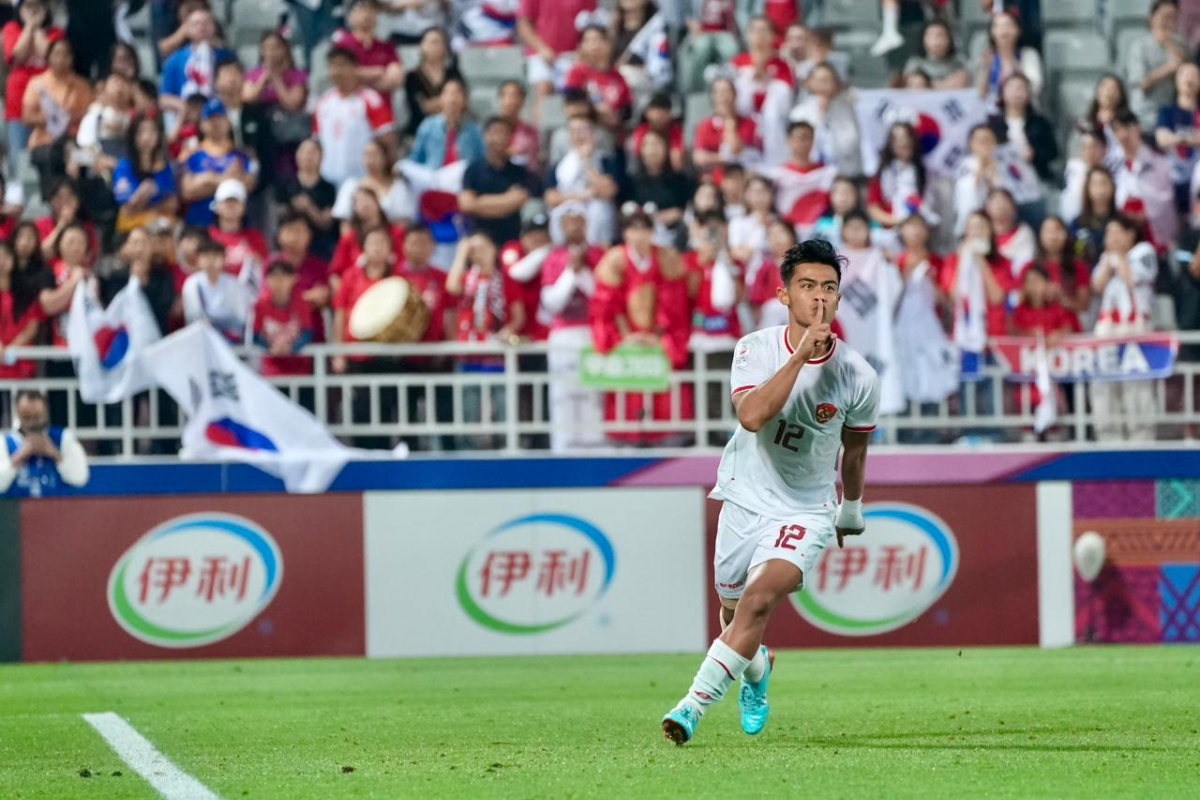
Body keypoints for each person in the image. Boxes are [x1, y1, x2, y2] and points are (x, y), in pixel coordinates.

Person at [660, 238, 878, 745]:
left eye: (829, 288)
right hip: (745, 497)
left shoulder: (859, 375)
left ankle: (691, 707)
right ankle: (757, 667)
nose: (819, 297)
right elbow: (753, 416)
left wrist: (851, 506)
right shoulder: (753, 349)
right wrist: (800, 356)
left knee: (758, 602)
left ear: (839, 298)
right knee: (733, 612)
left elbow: (855, 451)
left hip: (806, 510)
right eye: (807, 286)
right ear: (784, 296)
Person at [541, 203, 604, 451]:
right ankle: (564, 447)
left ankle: (596, 446)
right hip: (563, 334)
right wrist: (571, 272)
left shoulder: (599, 256)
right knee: (563, 392)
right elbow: (552, 303)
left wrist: (583, 272)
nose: (574, 226)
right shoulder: (553, 258)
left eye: (579, 220)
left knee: (594, 393)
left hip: (593, 333)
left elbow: (602, 298)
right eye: (569, 221)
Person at [1090, 215, 1158, 441]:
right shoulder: (1105, 258)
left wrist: (1119, 256)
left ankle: (1142, 437)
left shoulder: (1144, 252)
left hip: (1136, 327)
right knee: (1104, 383)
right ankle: (1108, 436)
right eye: (1108, 233)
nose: (1111, 237)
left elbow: (1131, 280)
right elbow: (1098, 286)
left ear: (1130, 234)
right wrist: (1108, 260)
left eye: (1116, 232)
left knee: (1137, 384)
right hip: (1107, 327)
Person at [313, 46, 397, 188]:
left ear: (355, 68)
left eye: (342, 65)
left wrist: (387, 175)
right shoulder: (323, 103)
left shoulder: (370, 99)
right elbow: (317, 143)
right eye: (332, 66)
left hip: (362, 181)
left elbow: (388, 140)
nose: (337, 71)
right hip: (328, 180)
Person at [22, 38, 93, 191]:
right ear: (49, 57)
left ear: (72, 58)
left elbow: (90, 114)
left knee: (85, 159)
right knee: (51, 157)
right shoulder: (37, 83)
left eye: (66, 55)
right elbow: (27, 118)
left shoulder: (82, 85)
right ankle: (53, 200)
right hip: (44, 142)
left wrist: (70, 117)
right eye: (57, 54)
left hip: (74, 140)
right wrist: (52, 118)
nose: (61, 59)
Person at [3, 0, 63, 177]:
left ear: (46, 9)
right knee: (19, 158)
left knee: (50, 157)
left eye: (37, 6)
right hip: (18, 105)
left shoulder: (55, 32)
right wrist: (29, 27)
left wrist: (37, 28)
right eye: (28, 7)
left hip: (49, 105)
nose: (33, 11)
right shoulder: (11, 29)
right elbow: (17, 56)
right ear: (19, 10)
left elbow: (48, 55)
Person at [178, 99, 257, 227]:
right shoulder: (191, 155)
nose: (215, 123)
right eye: (210, 119)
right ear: (202, 124)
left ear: (228, 122)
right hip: (198, 223)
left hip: (232, 226)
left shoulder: (241, 155)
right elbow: (187, 192)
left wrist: (206, 180)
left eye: (220, 118)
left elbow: (248, 185)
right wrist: (225, 179)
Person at [544, 116, 619, 247]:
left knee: (599, 209)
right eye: (574, 131)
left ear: (593, 134)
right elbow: (551, 198)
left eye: (583, 130)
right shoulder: (559, 165)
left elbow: (607, 192)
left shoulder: (606, 161)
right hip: (568, 210)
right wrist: (586, 195)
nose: (579, 135)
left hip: (596, 213)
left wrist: (586, 162)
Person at [0, 390, 89, 497]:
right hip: (16, 506)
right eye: (27, 417)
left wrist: (55, 455)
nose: (32, 423)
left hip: (57, 504)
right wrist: (18, 457)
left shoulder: (63, 437)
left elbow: (80, 478)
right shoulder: (5, 441)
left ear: (46, 411)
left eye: (37, 417)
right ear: (18, 413)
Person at [1110, 108, 1177, 249]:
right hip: (1126, 230)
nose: (1123, 135)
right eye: (1117, 130)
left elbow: (1166, 197)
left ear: (1138, 128)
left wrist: (1145, 214)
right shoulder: (1114, 163)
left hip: (1153, 229)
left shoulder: (1158, 160)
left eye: (1127, 128)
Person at [460, 117, 533, 246]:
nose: (499, 138)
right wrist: (506, 201)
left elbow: (519, 200)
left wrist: (480, 201)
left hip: (512, 238)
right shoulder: (473, 170)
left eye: (504, 133)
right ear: (486, 136)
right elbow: (467, 204)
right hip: (480, 237)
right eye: (495, 132)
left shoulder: (520, 172)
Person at [788, 62, 861, 178]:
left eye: (827, 80)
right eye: (819, 80)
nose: (823, 85)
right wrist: (820, 115)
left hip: (843, 173)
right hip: (810, 175)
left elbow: (850, 144)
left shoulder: (847, 109)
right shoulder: (799, 112)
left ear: (836, 84)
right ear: (808, 83)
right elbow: (797, 144)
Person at [158, 5, 233, 116]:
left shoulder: (227, 56)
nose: (201, 27)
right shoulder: (175, 59)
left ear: (214, 26)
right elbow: (164, 98)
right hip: (186, 115)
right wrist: (184, 106)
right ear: (186, 29)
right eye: (196, 23)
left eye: (206, 22)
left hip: (219, 114)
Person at [563, 23, 633, 140]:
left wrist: (616, 117)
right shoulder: (577, 73)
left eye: (597, 39)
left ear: (608, 44)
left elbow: (627, 111)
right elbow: (571, 106)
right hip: (586, 130)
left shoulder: (618, 77)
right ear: (581, 46)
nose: (593, 45)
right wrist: (596, 110)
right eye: (588, 40)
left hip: (614, 133)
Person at [113, 114, 179, 234]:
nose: (147, 137)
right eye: (142, 132)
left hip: (161, 226)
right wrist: (143, 193)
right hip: (132, 228)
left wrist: (148, 208)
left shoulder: (164, 166)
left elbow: (172, 204)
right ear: (133, 137)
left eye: (152, 131)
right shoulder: (124, 166)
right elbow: (127, 208)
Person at [517, 0, 596, 100]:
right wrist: (541, 49)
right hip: (541, 55)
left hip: (574, 56)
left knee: (577, 95)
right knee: (543, 89)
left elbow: (592, 23)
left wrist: (582, 51)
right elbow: (524, 24)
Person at [989, 73, 1057, 186]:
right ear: (1003, 93)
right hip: (1001, 178)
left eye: (1020, 88)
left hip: (1035, 177)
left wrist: (1034, 154)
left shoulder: (1040, 122)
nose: (1016, 92)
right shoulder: (993, 123)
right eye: (1011, 88)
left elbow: (1053, 152)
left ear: (1029, 94)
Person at [1127, 0, 1187, 129]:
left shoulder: (1180, 45)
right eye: (1164, 17)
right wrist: (1169, 68)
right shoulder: (1140, 46)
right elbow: (1141, 83)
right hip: (1144, 115)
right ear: (1152, 18)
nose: (1168, 22)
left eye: (1173, 18)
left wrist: (1171, 47)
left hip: (1170, 116)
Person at [629, 128, 692, 249]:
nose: (652, 150)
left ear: (666, 149)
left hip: (673, 233)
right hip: (643, 233)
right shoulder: (632, 181)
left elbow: (687, 207)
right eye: (647, 145)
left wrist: (677, 213)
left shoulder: (680, 180)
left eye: (656, 144)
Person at [331, 0, 405, 102]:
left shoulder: (387, 47)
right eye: (360, 8)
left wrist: (359, 77)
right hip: (351, 105)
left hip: (382, 107)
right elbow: (342, 75)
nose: (366, 13)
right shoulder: (342, 46)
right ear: (350, 15)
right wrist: (379, 72)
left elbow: (396, 79)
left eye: (370, 8)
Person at [277, 138, 339, 261]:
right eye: (304, 152)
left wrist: (309, 208)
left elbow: (327, 223)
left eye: (312, 152)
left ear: (321, 157)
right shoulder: (286, 185)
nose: (308, 157)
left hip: (320, 246)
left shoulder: (328, 189)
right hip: (291, 244)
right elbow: (279, 218)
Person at [181, 236, 249, 344]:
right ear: (198, 260)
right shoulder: (191, 284)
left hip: (229, 341)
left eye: (215, 256)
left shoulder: (234, 284)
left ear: (224, 259)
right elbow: (191, 318)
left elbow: (241, 319)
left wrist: (216, 320)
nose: (211, 261)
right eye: (206, 256)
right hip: (201, 340)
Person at [254, 259, 315, 377]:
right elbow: (256, 335)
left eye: (284, 276)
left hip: (299, 370)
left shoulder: (302, 304)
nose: (279, 282)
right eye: (274, 277)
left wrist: (292, 348)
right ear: (267, 280)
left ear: (293, 279)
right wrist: (270, 348)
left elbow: (308, 333)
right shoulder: (260, 306)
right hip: (271, 370)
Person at [332, 139, 414, 227]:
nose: (370, 160)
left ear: (384, 157)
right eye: (367, 155)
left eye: (374, 154)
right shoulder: (351, 185)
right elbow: (345, 223)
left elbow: (404, 221)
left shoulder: (398, 186)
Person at [407, 77, 482, 169]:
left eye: (456, 93)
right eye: (447, 93)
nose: (452, 99)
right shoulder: (428, 126)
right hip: (433, 175)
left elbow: (481, 161)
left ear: (465, 100)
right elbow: (415, 158)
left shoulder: (474, 131)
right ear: (440, 99)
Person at [1155, 61, 1200, 215]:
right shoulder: (1167, 112)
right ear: (1176, 80)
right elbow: (1162, 139)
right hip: (1173, 178)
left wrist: (1177, 138)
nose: (1189, 79)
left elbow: (1170, 138)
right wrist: (1191, 138)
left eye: (1193, 75)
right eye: (1184, 74)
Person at [975, 11, 1043, 109]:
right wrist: (986, 68)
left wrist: (1010, 58)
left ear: (1018, 30)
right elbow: (978, 94)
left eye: (1008, 25)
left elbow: (1035, 87)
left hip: (1024, 110)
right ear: (992, 32)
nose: (1004, 31)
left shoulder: (1028, 55)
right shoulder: (986, 57)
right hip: (992, 110)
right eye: (998, 26)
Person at [692, 77, 761, 172]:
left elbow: (736, 149)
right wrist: (725, 158)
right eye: (717, 93)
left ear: (735, 95)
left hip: (741, 175)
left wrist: (730, 124)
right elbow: (699, 157)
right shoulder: (705, 125)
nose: (722, 97)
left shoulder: (748, 124)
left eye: (726, 92)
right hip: (715, 176)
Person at [403, 27, 461, 138]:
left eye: (438, 42)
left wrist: (433, 104)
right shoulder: (412, 77)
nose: (434, 46)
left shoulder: (453, 74)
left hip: (450, 130)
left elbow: (460, 103)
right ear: (421, 46)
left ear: (445, 47)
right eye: (430, 42)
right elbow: (420, 108)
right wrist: (447, 103)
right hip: (418, 131)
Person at [902, 19, 969, 90]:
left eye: (940, 35)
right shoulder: (915, 63)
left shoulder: (959, 63)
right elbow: (913, 86)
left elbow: (961, 82)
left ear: (949, 39)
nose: (935, 41)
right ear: (923, 39)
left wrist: (929, 85)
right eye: (930, 36)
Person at [1072, 166, 1118, 267]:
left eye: (1104, 183)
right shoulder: (1077, 224)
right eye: (1095, 184)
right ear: (1087, 188)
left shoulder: (1121, 222)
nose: (1100, 189)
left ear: (1113, 187)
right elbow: (1077, 256)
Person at [497, 80, 541, 174]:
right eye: (506, 96)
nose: (510, 101)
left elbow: (533, 165)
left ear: (522, 101)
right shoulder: (491, 130)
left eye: (515, 96)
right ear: (500, 99)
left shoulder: (530, 132)